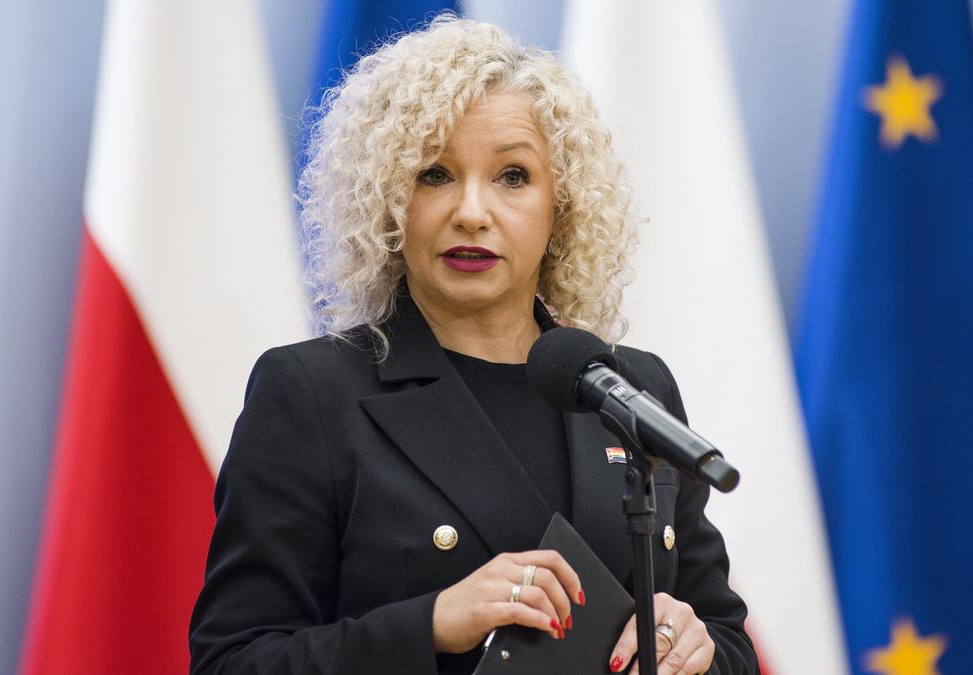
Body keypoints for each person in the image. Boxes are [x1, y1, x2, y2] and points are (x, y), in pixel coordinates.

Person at [189, 16, 759, 675]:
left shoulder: (632, 388)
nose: (472, 211)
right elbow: (231, 660)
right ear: (389, 201)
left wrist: (700, 649)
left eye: (513, 176)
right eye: (435, 173)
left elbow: (730, 639)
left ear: (561, 205)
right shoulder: (311, 391)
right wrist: (430, 623)